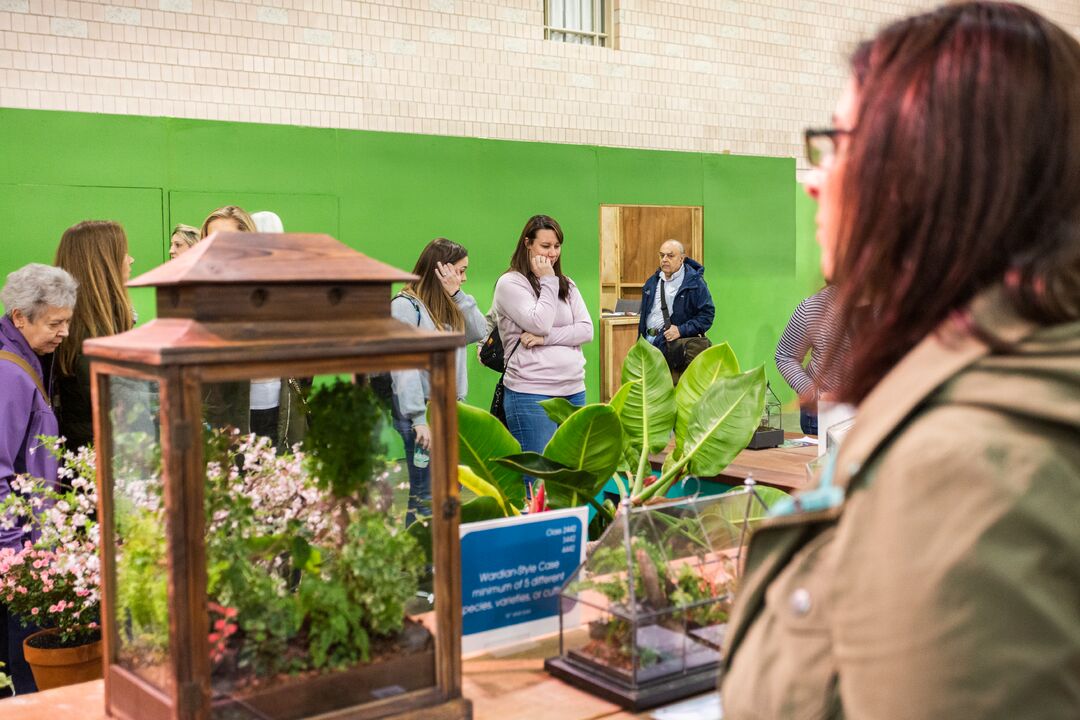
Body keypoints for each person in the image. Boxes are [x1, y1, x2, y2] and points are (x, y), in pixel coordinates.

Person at [721, 4, 1080, 719]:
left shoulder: (960, 468)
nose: (813, 179)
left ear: (931, 175)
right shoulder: (1015, 387)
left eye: (839, 143)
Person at [0, 263, 77, 694]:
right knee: (24, 670)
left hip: (28, 546)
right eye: (55, 323)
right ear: (19, 317)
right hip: (19, 553)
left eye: (67, 321)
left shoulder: (27, 360)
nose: (64, 332)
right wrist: (14, 557)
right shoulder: (10, 373)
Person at [391, 238, 487, 524]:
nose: (465, 277)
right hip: (422, 413)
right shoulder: (405, 307)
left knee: (450, 488)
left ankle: (440, 557)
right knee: (427, 494)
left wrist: (458, 294)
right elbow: (403, 367)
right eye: (460, 270)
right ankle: (424, 562)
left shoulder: (450, 303)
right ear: (441, 270)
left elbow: (479, 331)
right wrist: (419, 419)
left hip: (450, 411)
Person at [493, 215, 592, 478]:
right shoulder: (510, 283)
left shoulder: (567, 284)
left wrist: (546, 339)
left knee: (570, 477)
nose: (552, 254)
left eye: (557, 246)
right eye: (545, 246)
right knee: (538, 482)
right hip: (531, 393)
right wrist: (548, 279)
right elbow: (539, 322)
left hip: (573, 389)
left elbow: (586, 330)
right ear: (527, 243)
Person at [53, 221, 135, 452]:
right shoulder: (95, 341)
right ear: (104, 264)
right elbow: (129, 416)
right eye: (124, 253)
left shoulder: (82, 331)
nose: (130, 260)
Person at [774, 284, 852, 435]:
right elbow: (785, 355)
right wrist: (815, 395)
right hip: (823, 414)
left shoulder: (892, 305)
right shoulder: (813, 307)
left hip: (876, 412)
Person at [637, 239, 714, 375]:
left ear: (682, 259)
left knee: (674, 392)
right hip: (648, 343)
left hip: (675, 349)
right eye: (662, 255)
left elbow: (706, 317)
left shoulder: (695, 283)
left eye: (670, 256)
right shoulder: (652, 282)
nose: (665, 259)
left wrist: (681, 330)